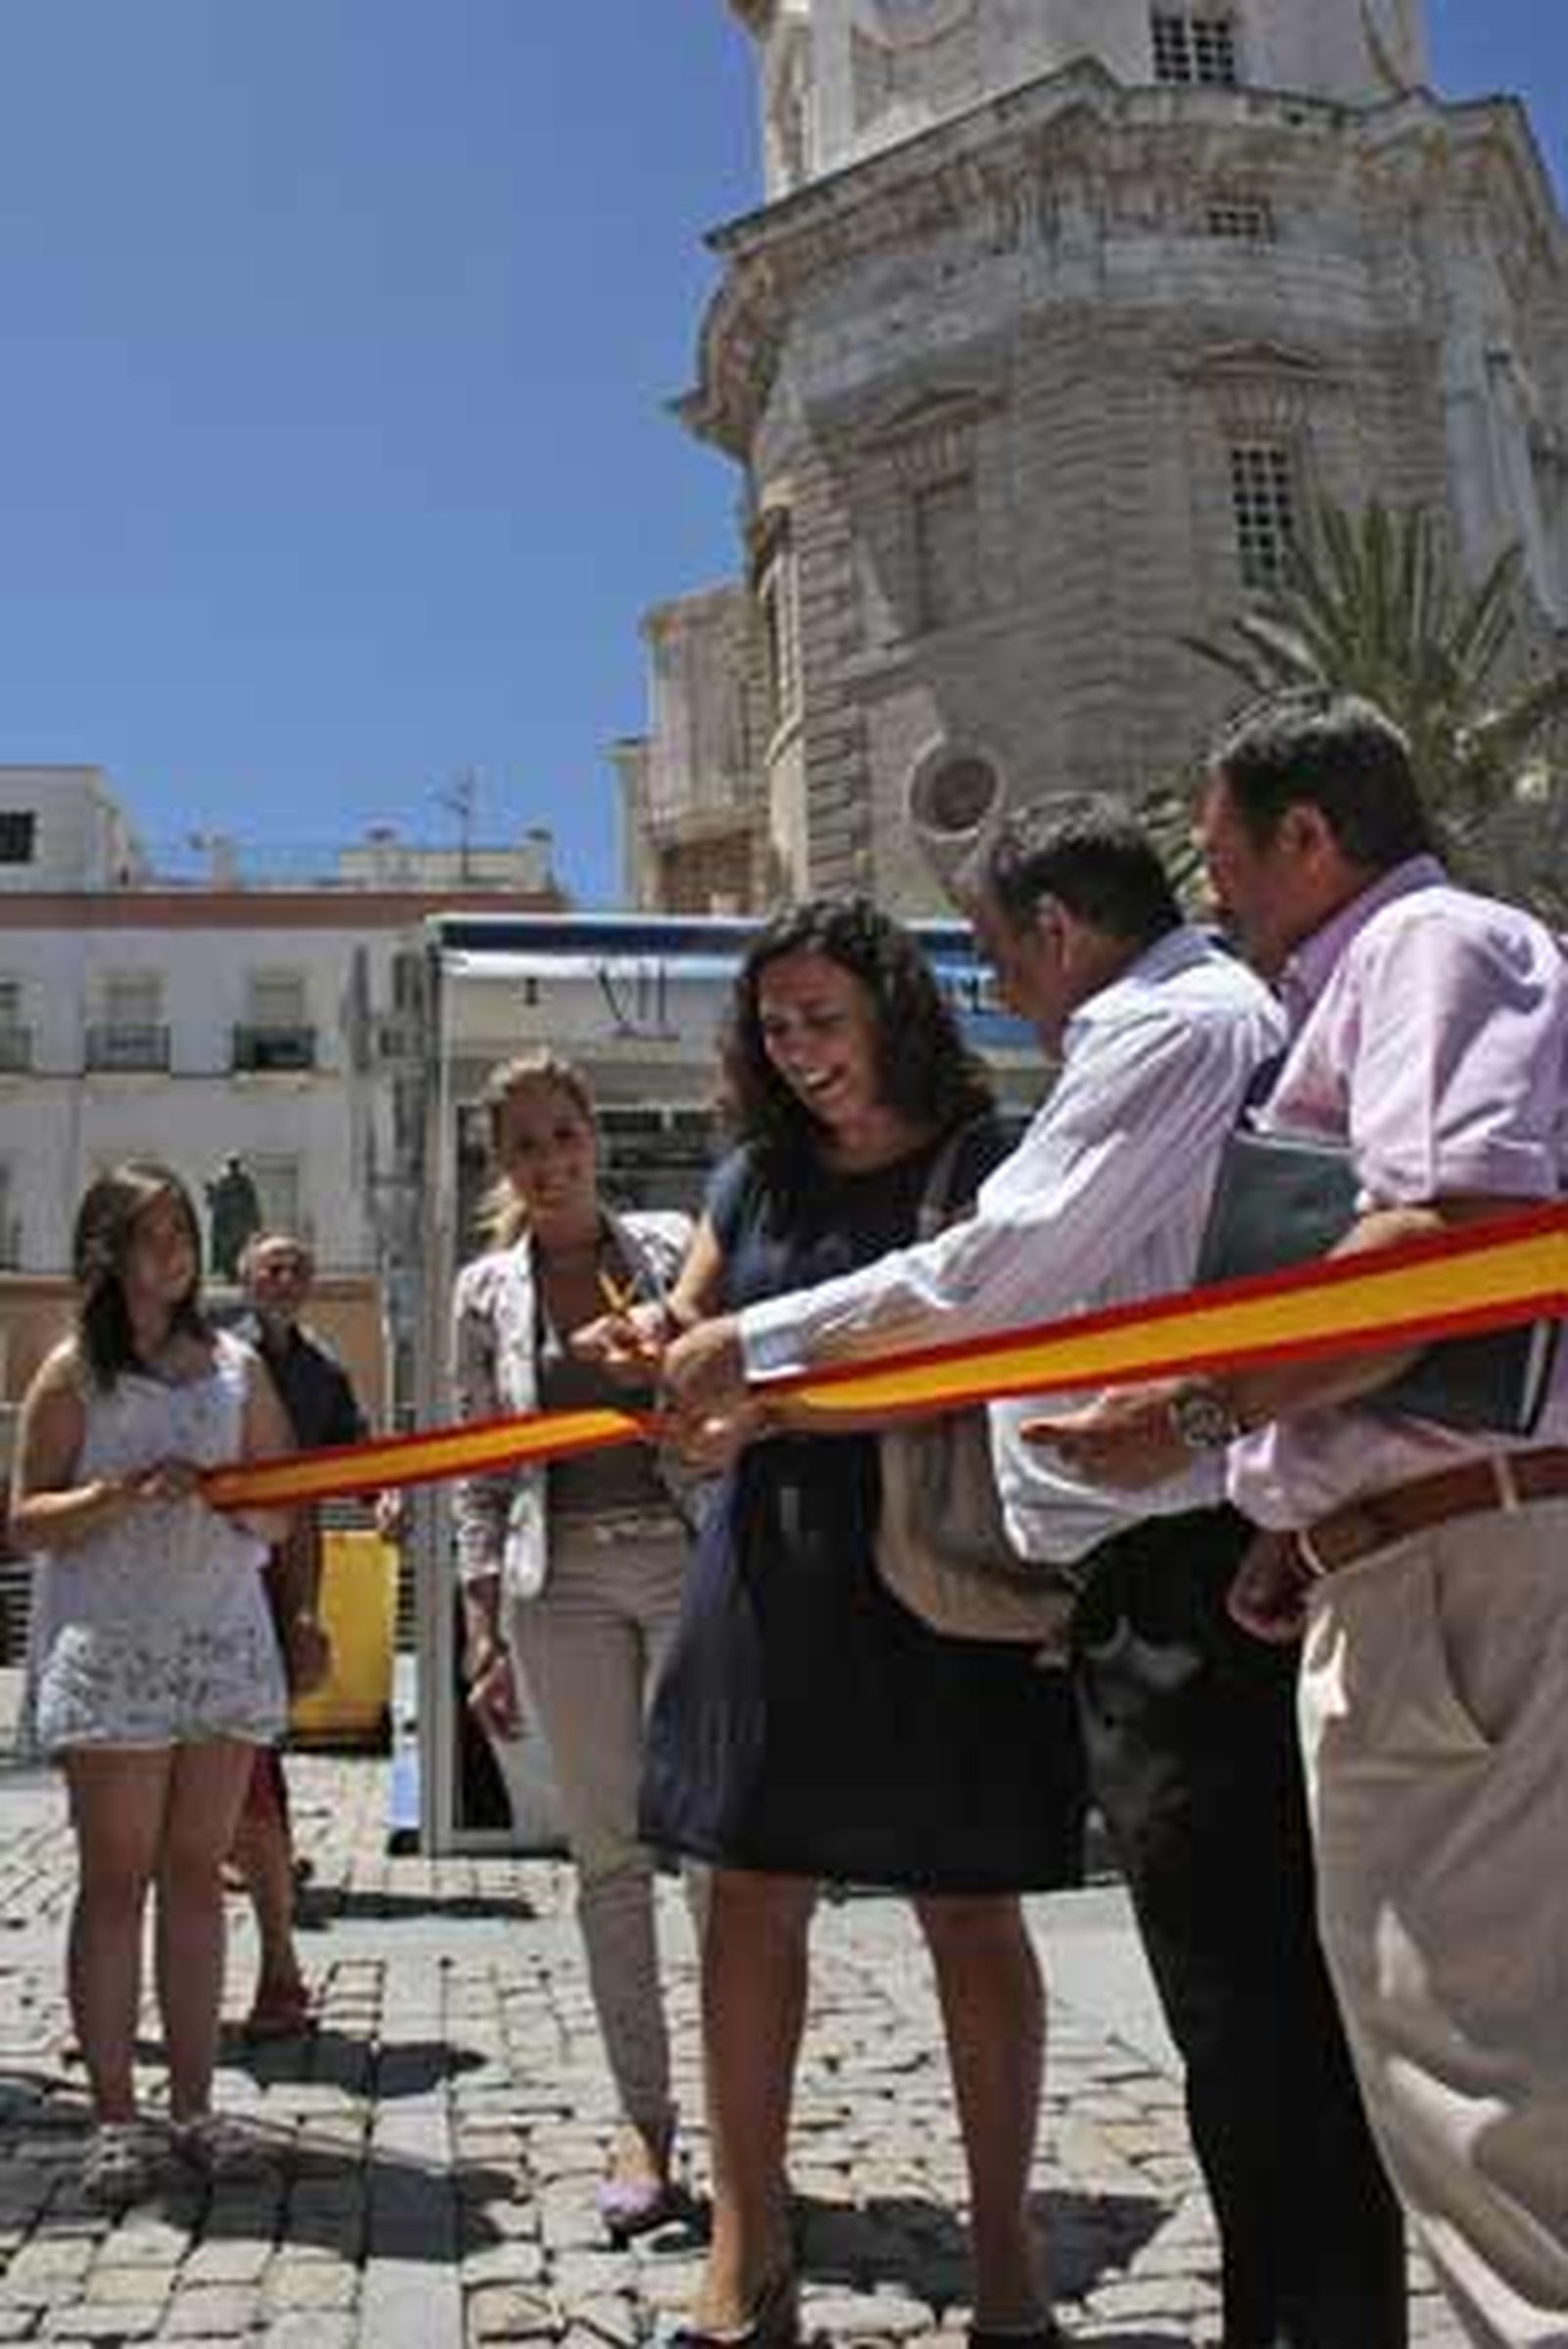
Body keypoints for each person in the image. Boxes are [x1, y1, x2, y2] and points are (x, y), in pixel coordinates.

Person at [662, 808, 1408, 2349]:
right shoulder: (1201, 1027)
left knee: (1253, 2009)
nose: (1003, 984)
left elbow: (1000, 1276)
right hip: (1145, 1554)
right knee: (1244, 2010)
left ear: (1055, 932)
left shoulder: (1163, 1035)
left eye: (1000, 952)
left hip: (1124, 1567)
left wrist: (762, 1348)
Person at [1034, 698, 1568, 2343]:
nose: (1215, 902)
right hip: (1419, 1550)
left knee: (1479, 2084)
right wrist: (1297, 1501)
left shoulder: (1422, 947)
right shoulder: (1391, 974)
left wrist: (1199, 1411)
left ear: (1308, 838)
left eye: (1222, 860)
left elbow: (1448, 1243)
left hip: (1459, 1581)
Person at [609, 899, 1089, 2349]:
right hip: (772, 1571)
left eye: (822, 1018)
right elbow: (684, 1342)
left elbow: (983, 1355)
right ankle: (749, 2255)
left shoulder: (990, 1161)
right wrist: (655, 1365)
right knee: (748, 1895)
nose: (799, 1049)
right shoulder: (753, 1180)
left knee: (968, 1906)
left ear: (890, 1008)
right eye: (775, 1026)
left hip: (935, 1572)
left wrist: (766, 1393)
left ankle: (1006, 2260)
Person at [8, 1161, 293, 2205]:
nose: (173, 1251)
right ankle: (115, 2116)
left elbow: (280, 1506)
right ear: (107, 1250)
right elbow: (25, 1516)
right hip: (115, 1645)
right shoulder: (74, 1371)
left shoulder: (236, 1368)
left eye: (181, 1232)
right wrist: (116, 1495)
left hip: (216, 1641)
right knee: (115, 1877)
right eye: (150, 1234)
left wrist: (231, 1499)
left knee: (194, 1876)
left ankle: (196, 2106)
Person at [450, 1049, 697, 2240]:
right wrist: (479, 1628)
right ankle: (643, 2120)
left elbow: (723, 1394)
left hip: (690, 1561)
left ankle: (749, 2121)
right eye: (524, 1147)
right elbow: (478, 1474)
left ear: (594, 1137)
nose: (549, 1164)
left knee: (722, 1851)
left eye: (564, 1136)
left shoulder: (669, 1243)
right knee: (610, 1858)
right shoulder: (482, 1293)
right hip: (563, 1585)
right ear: (501, 1166)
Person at [227, 1228, 371, 2038]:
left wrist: (381, 1493)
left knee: (263, 1732)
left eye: (296, 1269)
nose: (284, 1279)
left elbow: (350, 1448)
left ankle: (276, 1953)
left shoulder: (319, 1365)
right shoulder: (213, 1351)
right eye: (271, 1267)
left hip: (285, 1561)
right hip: (221, 1563)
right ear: (244, 1276)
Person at [204, 1153, 263, 1285]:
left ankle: (238, 1275)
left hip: (240, 1223)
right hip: (226, 1224)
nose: (233, 1167)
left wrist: (256, 1223)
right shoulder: (222, 1181)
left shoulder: (245, 1182)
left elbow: (252, 1203)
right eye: (231, 1164)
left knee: (240, 1250)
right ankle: (230, 1275)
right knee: (226, 1252)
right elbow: (213, 1203)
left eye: (235, 1164)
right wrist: (210, 1191)